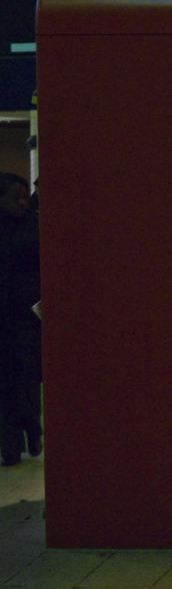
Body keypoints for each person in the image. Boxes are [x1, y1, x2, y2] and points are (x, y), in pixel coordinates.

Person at [0, 172, 42, 466]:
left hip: (27, 316)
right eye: (15, 198)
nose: (22, 203)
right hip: (5, 317)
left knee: (26, 378)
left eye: (24, 196)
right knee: (5, 385)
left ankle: (33, 430)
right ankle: (10, 446)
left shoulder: (35, 227)